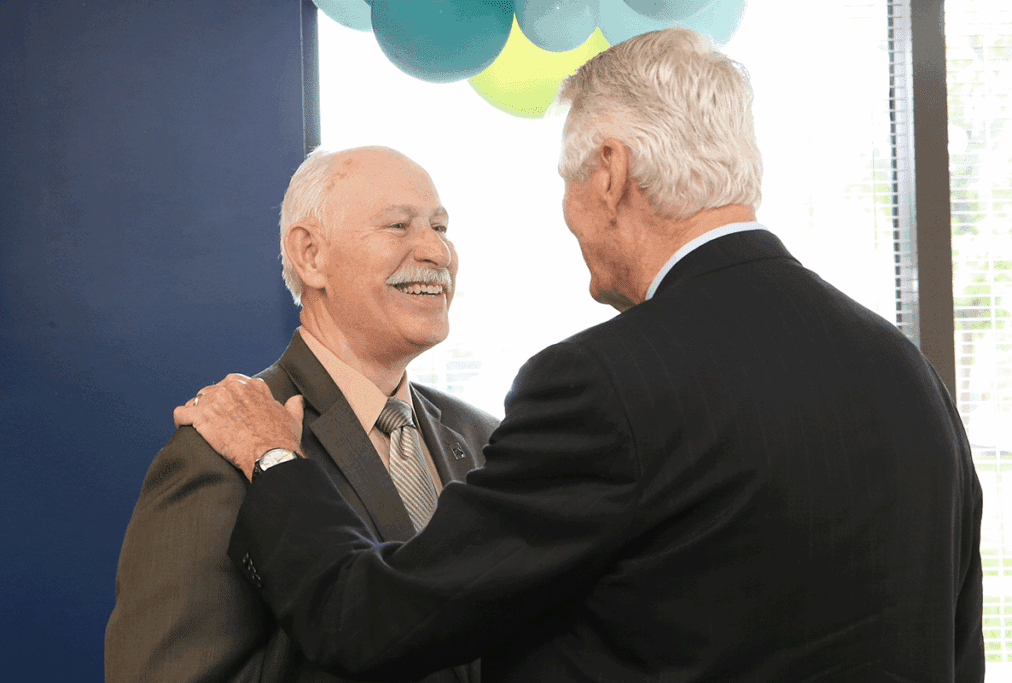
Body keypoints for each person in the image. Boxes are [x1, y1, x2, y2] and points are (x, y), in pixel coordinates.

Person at [179, 28, 984, 683]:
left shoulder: (603, 384)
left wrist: (275, 461)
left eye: (566, 178)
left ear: (609, 173)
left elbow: (369, 619)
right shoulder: (907, 373)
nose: (435, 247)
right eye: (399, 224)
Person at [105, 146, 499, 683]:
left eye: (440, 226)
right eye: (398, 225)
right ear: (311, 255)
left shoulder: (485, 439)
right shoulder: (219, 448)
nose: (437, 251)